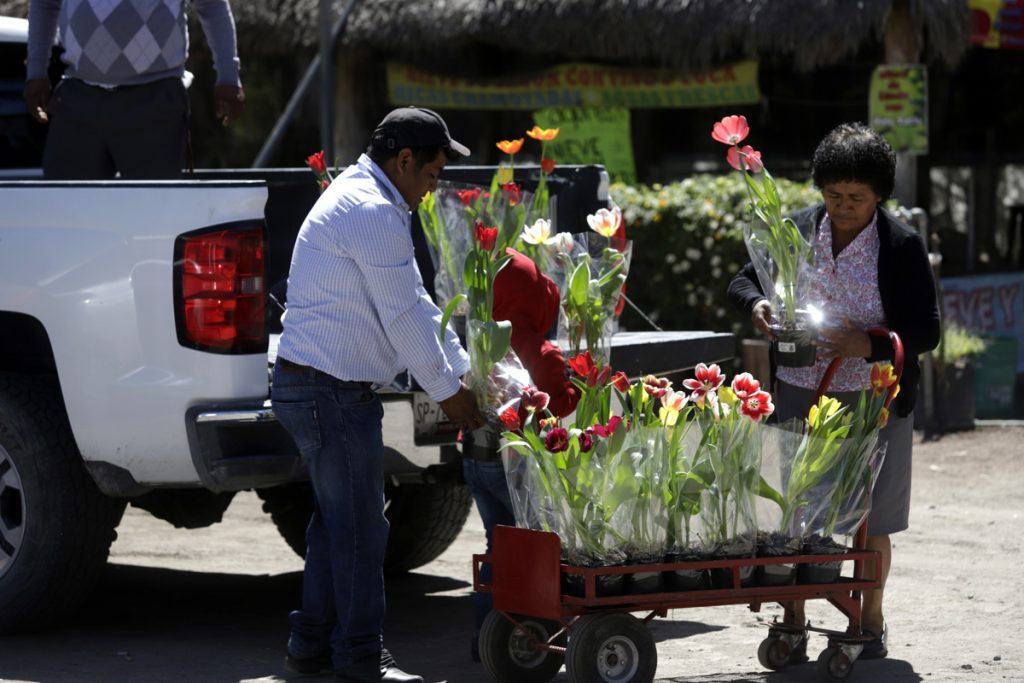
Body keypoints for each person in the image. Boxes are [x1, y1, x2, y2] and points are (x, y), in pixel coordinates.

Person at [271, 107, 484, 683]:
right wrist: (451, 393)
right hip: (327, 390)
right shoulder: (371, 208)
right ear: (405, 159)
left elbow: (416, 303)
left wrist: (463, 373)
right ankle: (362, 658)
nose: (434, 186)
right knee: (364, 528)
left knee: (336, 524)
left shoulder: (371, 197)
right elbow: (402, 314)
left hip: (317, 386)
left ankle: (309, 647)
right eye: (434, 173)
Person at [727, 122, 940, 661]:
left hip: (875, 400)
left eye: (857, 198)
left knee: (872, 522)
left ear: (879, 197)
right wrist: (756, 306)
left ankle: (869, 621)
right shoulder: (793, 230)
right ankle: (793, 618)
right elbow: (742, 280)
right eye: (834, 195)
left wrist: (864, 343)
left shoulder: (901, 246)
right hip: (800, 393)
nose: (843, 207)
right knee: (796, 517)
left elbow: (926, 330)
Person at [461, 248, 580, 662]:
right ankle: (524, 632)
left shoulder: (479, 342)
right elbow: (559, 405)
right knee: (529, 548)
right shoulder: (541, 350)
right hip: (514, 465)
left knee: (497, 545)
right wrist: (578, 386)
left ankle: (484, 634)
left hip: (476, 457)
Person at [24, 0, 245, 179]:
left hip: (155, 101)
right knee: (67, 210)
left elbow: (212, 6)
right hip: (79, 99)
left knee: (156, 212)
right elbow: (44, 4)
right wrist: (35, 71)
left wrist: (228, 75)